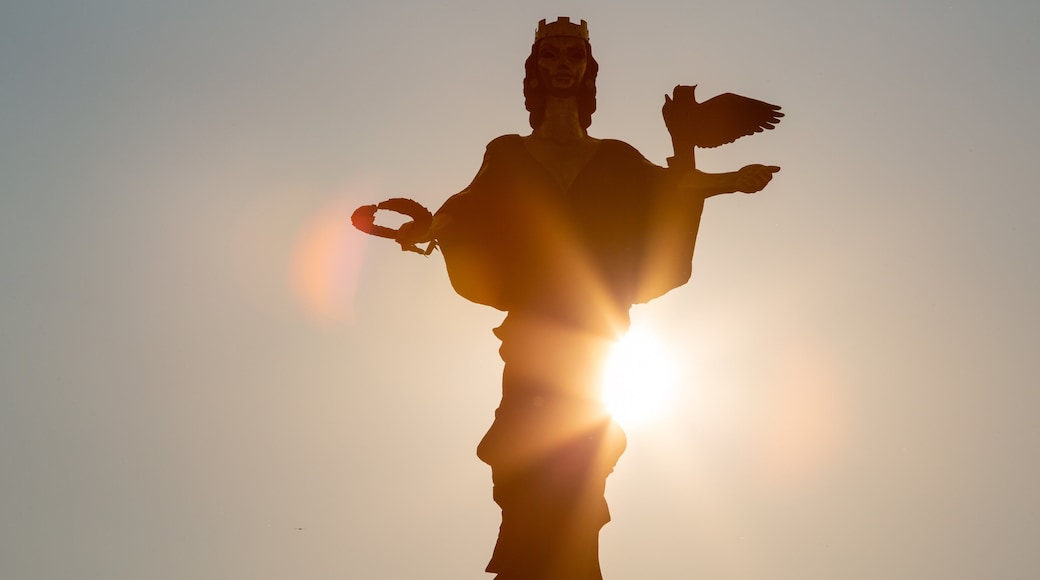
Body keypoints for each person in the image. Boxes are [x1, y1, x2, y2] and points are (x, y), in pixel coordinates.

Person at [419, 17, 778, 580]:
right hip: (534, 340)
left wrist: (729, 176)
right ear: (535, 70)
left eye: (573, 54)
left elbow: (670, 192)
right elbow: (464, 208)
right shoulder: (508, 153)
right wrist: (429, 227)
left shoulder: (615, 157)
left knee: (580, 472)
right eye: (551, 54)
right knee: (529, 466)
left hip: (593, 341)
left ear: (587, 69)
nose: (562, 63)